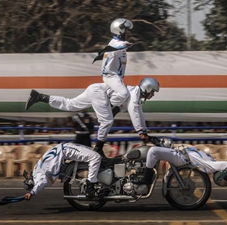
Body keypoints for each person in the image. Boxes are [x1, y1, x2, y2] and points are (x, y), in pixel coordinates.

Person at [24, 77, 160, 158]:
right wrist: (142, 133)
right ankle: (98, 148)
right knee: (107, 121)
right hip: (99, 93)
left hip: (95, 89)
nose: (153, 95)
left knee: (70, 105)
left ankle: (40, 97)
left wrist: (143, 131)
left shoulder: (132, 95)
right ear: (147, 88)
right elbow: (135, 113)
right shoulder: (134, 95)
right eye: (153, 92)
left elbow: (131, 112)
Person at [134, 138, 227, 184]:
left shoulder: (210, 166)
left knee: (153, 151)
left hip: (180, 157)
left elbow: (219, 165)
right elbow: (221, 164)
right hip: (178, 151)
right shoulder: (211, 160)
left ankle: (147, 177)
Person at [22, 142, 101, 200]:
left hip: (65, 148)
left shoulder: (36, 170)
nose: (28, 174)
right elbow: (41, 183)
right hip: (66, 150)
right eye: (27, 177)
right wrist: (31, 193)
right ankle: (90, 187)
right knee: (95, 157)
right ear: (31, 181)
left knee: (96, 152)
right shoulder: (38, 176)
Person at [93, 18, 134, 108]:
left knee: (125, 102)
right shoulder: (114, 44)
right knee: (123, 93)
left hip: (116, 77)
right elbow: (117, 46)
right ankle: (106, 106)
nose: (128, 33)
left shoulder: (117, 44)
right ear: (120, 30)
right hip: (110, 76)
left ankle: (111, 108)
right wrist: (125, 44)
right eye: (126, 30)